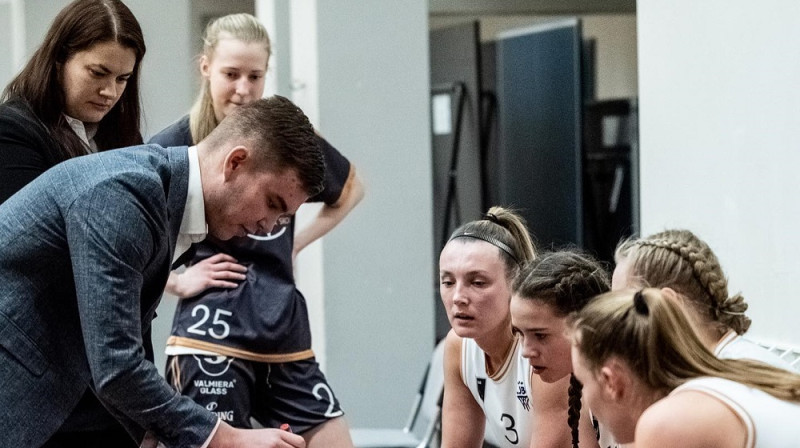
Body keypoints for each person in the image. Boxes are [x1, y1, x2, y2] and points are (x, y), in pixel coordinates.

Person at [0, 96, 321, 448]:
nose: (268, 227)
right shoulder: (125, 194)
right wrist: (226, 438)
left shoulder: (162, 197)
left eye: (283, 218)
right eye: (273, 203)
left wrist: (155, 431)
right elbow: (116, 365)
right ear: (236, 162)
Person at [149, 14, 363, 446]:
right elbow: (134, 243)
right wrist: (176, 280)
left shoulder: (288, 138)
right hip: (214, 328)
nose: (244, 89)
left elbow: (351, 188)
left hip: (281, 322)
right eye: (231, 74)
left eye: (255, 75)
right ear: (205, 66)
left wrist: (295, 244)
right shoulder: (172, 148)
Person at [569, 288, 800, 447]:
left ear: (611, 381)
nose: (584, 397)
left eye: (583, 382)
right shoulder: (734, 376)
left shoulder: (671, 422)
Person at [439, 207, 579, 448]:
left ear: (516, 283)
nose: (458, 297)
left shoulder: (544, 352)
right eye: (448, 282)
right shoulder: (458, 346)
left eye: (478, 282)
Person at [0, 0, 145, 205]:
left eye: (122, 79)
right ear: (59, 59)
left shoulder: (123, 133)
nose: (110, 92)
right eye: (97, 73)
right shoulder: (12, 130)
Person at [613, 229, 795, 370]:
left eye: (624, 307)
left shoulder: (725, 382)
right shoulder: (722, 360)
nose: (615, 324)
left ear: (670, 304)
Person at [510, 250, 612, 448]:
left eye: (540, 335)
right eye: (520, 333)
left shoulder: (636, 386)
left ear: (584, 325)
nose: (525, 351)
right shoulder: (584, 389)